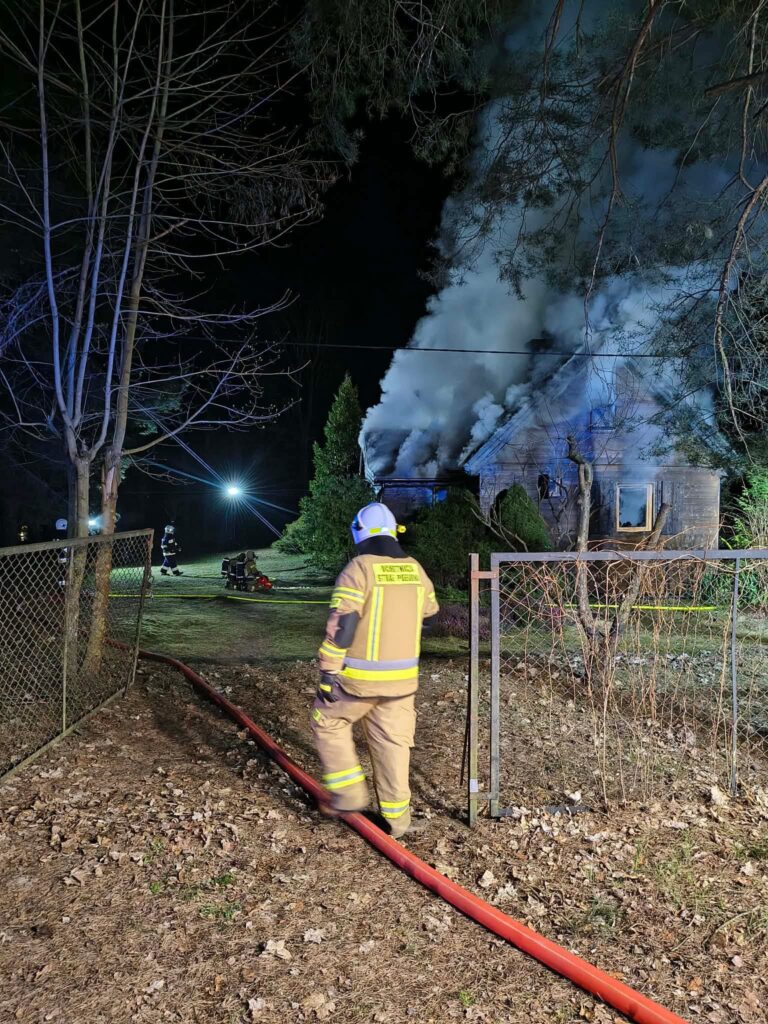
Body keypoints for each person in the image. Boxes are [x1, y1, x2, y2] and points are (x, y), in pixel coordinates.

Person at [311, 502, 439, 838]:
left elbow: (345, 624)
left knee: (329, 721)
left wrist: (328, 671)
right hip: (402, 682)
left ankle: (349, 795)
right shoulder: (415, 568)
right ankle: (397, 822)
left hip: (359, 681)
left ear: (359, 532)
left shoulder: (359, 568)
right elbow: (430, 613)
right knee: (393, 744)